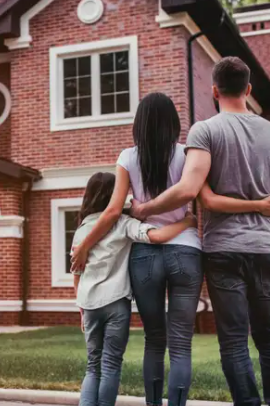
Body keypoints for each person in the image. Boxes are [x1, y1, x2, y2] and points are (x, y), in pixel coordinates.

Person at [70, 93, 270, 406]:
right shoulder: (188, 154)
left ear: (138, 125)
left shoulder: (127, 158)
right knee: (181, 344)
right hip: (186, 253)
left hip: (145, 257)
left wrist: (84, 245)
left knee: (154, 340)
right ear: (174, 124)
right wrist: (192, 220)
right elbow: (203, 196)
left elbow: (112, 212)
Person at [130, 57, 270, 406]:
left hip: (223, 250)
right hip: (266, 247)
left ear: (214, 90)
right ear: (249, 89)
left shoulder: (205, 130)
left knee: (234, 341)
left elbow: (188, 190)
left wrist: (144, 209)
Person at [71, 172, 197, 406]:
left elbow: (77, 274)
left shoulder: (81, 230)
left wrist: (81, 309)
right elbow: (157, 236)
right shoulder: (123, 224)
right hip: (116, 303)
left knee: (92, 365)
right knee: (110, 365)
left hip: (88, 305)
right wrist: (187, 222)